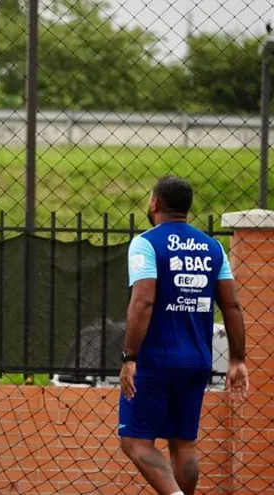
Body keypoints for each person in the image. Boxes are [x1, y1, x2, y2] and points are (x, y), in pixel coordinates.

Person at [118, 176, 249, 495]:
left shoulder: (146, 243)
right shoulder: (212, 247)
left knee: (134, 440)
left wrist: (130, 357)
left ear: (155, 203)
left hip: (155, 361)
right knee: (184, 443)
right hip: (196, 362)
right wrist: (237, 360)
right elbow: (231, 305)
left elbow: (144, 301)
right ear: (187, 208)